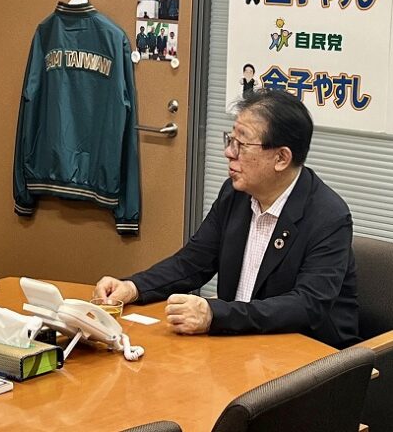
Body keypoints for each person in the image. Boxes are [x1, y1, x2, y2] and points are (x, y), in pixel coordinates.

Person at [95, 89, 360, 349]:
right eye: (230, 140)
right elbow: (192, 263)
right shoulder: (236, 194)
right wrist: (133, 287)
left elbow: (307, 305)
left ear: (281, 158)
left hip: (309, 355)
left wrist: (215, 315)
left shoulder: (328, 216)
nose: (229, 153)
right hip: (241, 341)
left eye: (241, 145)